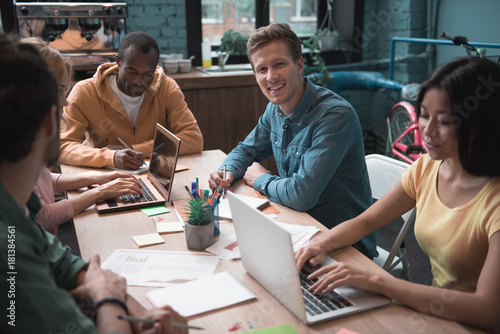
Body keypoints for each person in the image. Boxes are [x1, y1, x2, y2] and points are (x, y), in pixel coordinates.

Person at [295, 57, 500, 332]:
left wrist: (378, 281)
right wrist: (321, 243)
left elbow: (488, 311)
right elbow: (367, 221)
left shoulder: (494, 200)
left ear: (482, 123)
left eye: (446, 121)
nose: (426, 130)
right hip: (434, 314)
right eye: (425, 115)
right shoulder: (428, 167)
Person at [0, 34, 187, 334]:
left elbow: (56, 257)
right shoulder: (10, 252)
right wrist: (110, 300)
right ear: (51, 121)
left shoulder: (16, 207)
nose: (65, 103)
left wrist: (119, 300)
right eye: (61, 96)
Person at [208, 23, 376, 258]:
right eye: (261, 69)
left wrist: (261, 179)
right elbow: (246, 150)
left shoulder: (335, 116)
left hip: (342, 246)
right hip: (297, 229)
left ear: (299, 65)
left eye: (279, 64)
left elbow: (301, 196)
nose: (271, 76)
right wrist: (226, 171)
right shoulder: (274, 110)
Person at [23, 37, 143, 236]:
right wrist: (100, 192)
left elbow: (44, 180)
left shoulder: (27, 135)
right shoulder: (15, 150)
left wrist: (99, 178)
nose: (65, 102)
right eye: (60, 91)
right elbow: (42, 217)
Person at [59, 31, 203, 170]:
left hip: (149, 175)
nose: (139, 82)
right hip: (103, 178)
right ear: (118, 62)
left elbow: (194, 139)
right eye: (132, 72)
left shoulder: (166, 87)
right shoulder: (85, 91)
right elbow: (62, 146)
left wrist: (134, 150)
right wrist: (110, 156)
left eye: (147, 74)